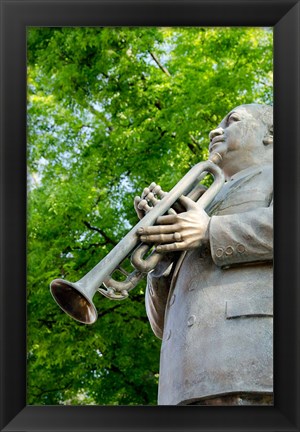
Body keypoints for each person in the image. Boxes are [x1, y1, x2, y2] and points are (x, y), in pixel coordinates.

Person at [134, 104, 273, 405]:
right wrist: (162, 256)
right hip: (181, 383)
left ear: (271, 134)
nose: (215, 130)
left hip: (253, 370)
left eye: (233, 120)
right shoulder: (201, 201)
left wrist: (210, 230)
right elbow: (160, 325)